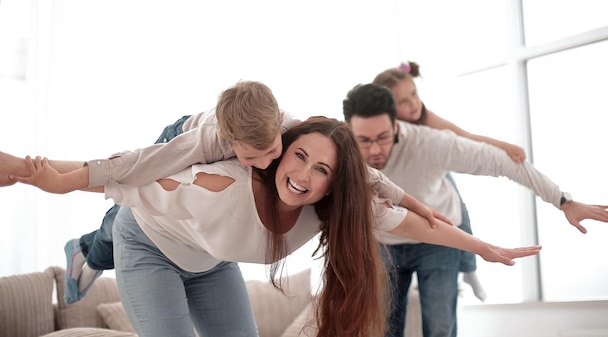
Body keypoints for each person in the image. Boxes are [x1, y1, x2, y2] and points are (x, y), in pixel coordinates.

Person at [11, 116, 542, 337]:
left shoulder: (328, 209)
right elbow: (129, 175)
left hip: (210, 262)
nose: (303, 175)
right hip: (150, 242)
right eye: (300, 157)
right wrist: (32, 174)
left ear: (334, 185)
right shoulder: (222, 182)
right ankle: (87, 250)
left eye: (322, 170)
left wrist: (485, 247)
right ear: (281, 151)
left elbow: (418, 226)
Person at [0, 80, 445, 304]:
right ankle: (87, 253)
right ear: (230, 145)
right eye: (254, 157)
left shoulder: (290, 132)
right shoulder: (200, 143)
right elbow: (127, 168)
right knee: (133, 203)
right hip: (176, 143)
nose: (270, 163)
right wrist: (47, 179)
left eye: (274, 150)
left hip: (234, 146)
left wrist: (414, 202)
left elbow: (362, 175)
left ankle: (91, 250)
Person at [342, 83, 608, 337]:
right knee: (381, 328)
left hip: (438, 236)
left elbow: (504, 163)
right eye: (364, 140)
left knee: (439, 326)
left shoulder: (432, 143)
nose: (375, 149)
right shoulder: (343, 153)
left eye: (383, 136)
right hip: (384, 241)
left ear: (396, 125)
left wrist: (563, 200)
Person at [374, 61, 528, 301]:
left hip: (430, 175)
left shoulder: (426, 119)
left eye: (414, 94)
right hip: (398, 188)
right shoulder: (377, 131)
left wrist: (504, 147)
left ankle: (469, 268)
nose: (414, 103)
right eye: (403, 101)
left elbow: (466, 137)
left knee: (453, 200)